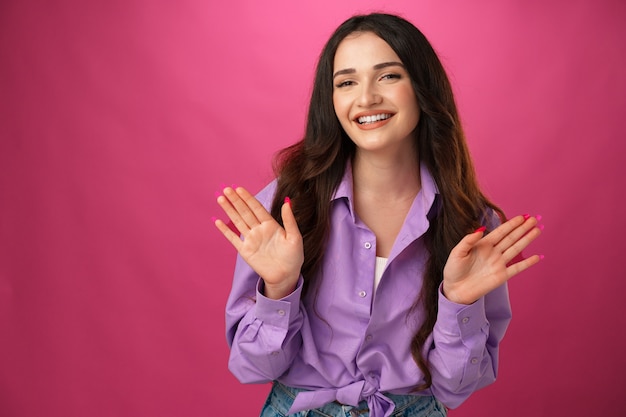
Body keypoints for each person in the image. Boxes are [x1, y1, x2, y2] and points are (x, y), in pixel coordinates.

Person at [213, 12, 543, 417]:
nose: (366, 98)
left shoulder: (469, 223)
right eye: (346, 82)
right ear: (330, 100)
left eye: (388, 76)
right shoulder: (286, 206)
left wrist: (459, 302)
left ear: (422, 88)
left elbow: (454, 388)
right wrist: (279, 289)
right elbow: (253, 368)